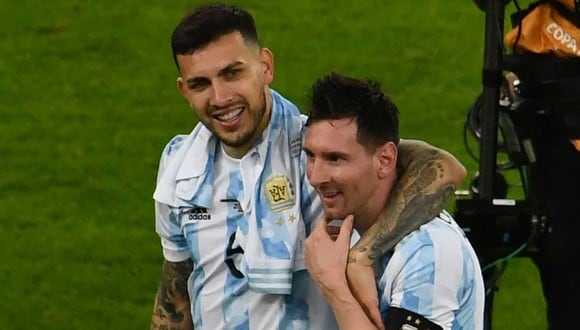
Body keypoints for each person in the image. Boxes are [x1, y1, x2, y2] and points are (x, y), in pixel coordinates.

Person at [150, 3, 467, 329]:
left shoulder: (319, 154)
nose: (220, 97)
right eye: (200, 83)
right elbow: (176, 291)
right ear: (183, 90)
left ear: (265, 66)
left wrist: (364, 254)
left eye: (233, 73)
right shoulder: (181, 167)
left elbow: (439, 165)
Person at [303, 73, 485, 330]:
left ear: (385, 160)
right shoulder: (351, 226)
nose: (315, 177)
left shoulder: (428, 253)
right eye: (310, 156)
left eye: (335, 159)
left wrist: (334, 287)